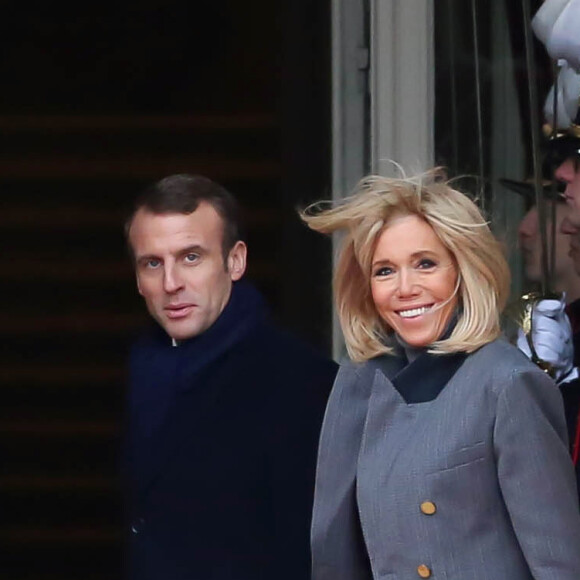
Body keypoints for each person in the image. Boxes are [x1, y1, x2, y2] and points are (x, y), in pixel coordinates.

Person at [300, 168, 580, 580]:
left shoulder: (508, 384)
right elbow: (335, 554)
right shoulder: (359, 385)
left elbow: (559, 565)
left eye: (425, 264)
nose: (405, 287)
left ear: (463, 271)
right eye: (384, 270)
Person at [122, 173, 338, 580]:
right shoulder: (144, 367)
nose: (171, 283)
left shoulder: (302, 382)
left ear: (235, 261)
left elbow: (311, 552)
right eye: (153, 263)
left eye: (191, 257)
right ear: (137, 278)